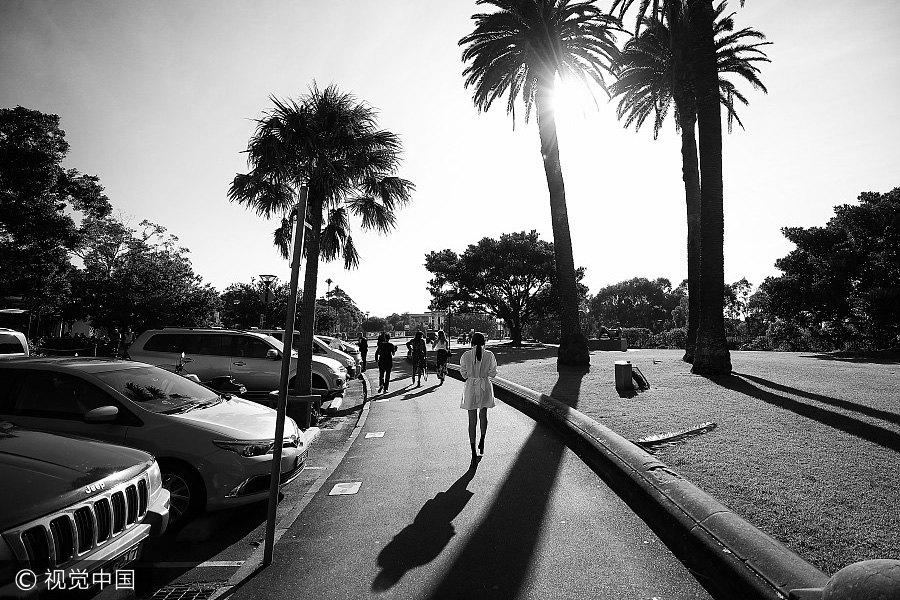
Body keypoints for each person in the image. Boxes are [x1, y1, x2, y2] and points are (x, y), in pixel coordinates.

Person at [459, 332, 497, 465]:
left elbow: (463, 374)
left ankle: (473, 451)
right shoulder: (489, 355)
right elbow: (493, 373)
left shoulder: (466, 355)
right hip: (484, 386)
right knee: (483, 415)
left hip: (471, 387)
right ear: (484, 342)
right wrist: (484, 374)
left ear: (471, 342)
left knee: (472, 420)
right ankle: (482, 438)